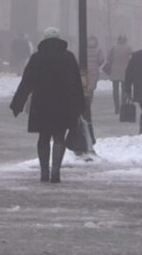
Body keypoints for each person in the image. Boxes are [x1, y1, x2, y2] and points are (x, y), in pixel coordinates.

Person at [10, 27, 85, 183]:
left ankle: (44, 172)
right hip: (63, 104)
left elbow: (27, 82)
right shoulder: (68, 57)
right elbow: (76, 84)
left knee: (43, 137)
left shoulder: (37, 58)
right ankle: (55, 172)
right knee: (59, 137)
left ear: (44, 40)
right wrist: (79, 106)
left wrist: (17, 103)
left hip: (41, 104)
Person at [84, 35, 105, 144]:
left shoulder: (84, 48)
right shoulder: (98, 50)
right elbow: (101, 60)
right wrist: (96, 64)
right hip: (94, 71)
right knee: (91, 88)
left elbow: (79, 58)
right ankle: (89, 102)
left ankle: (86, 100)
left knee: (86, 87)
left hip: (85, 70)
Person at [106, 35, 133, 114]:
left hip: (115, 71)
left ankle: (116, 107)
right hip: (125, 71)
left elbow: (108, 57)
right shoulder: (128, 48)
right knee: (124, 90)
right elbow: (133, 56)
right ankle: (123, 105)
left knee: (115, 90)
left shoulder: (113, 47)